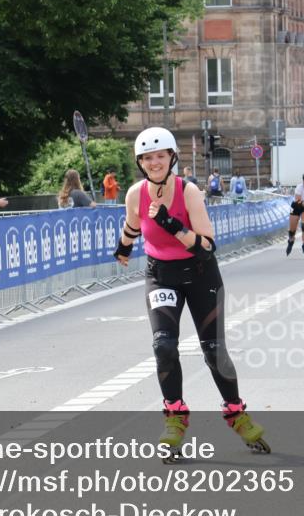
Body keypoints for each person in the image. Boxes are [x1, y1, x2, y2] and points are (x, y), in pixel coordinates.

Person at [112, 127, 268, 460]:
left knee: (214, 351)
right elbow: (133, 224)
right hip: (161, 276)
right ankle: (174, 416)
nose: (154, 163)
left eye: (160, 156)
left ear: (171, 158)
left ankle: (236, 413)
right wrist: (123, 247)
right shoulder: (135, 193)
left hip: (200, 274)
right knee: (163, 346)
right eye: (147, 158)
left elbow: (207, 246)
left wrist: (172, 225)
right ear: (140, 162)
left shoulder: (189, 191)